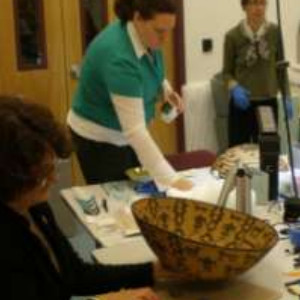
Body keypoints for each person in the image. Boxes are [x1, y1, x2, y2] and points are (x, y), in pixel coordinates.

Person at [0, 96, 178, 300]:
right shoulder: (6, 242)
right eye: (43, 174)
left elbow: (75, 274)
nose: (54, 178)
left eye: (52, 167)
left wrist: (152, 271)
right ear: (11, 177)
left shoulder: (35, 207)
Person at [67, 0, 193, 191]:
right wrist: (172, 180)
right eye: (160, 31)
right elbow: (135, 131)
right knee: (118, 200)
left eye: (170, 30)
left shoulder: (144, 35)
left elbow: (150, 68)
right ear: (137, 18)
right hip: (99, 139)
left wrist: (165, 90)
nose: (165, 38)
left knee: (141, 188)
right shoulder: (119, 57)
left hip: (124, 134)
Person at [222, 0, 293, 147]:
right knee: (239, 154)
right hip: (242, 106)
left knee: (268, 152)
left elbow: (281, 67)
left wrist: (286, 95)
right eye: (254, 3)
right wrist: (234, 87)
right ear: (244, 6)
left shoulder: (274, 32)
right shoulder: (232, 36)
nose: (258, 8)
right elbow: (226, 73)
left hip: (267, 104)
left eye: (262, 3)